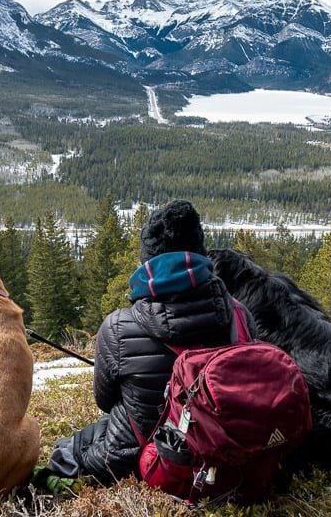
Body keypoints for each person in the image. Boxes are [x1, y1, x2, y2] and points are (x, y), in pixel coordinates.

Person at [46, 199, 246, 484]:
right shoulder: (239, 314)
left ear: (148, 263)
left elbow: (105, 401)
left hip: (136, 453)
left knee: (66, 452)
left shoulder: (117, 326)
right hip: (227, 450)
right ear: (200, 253)